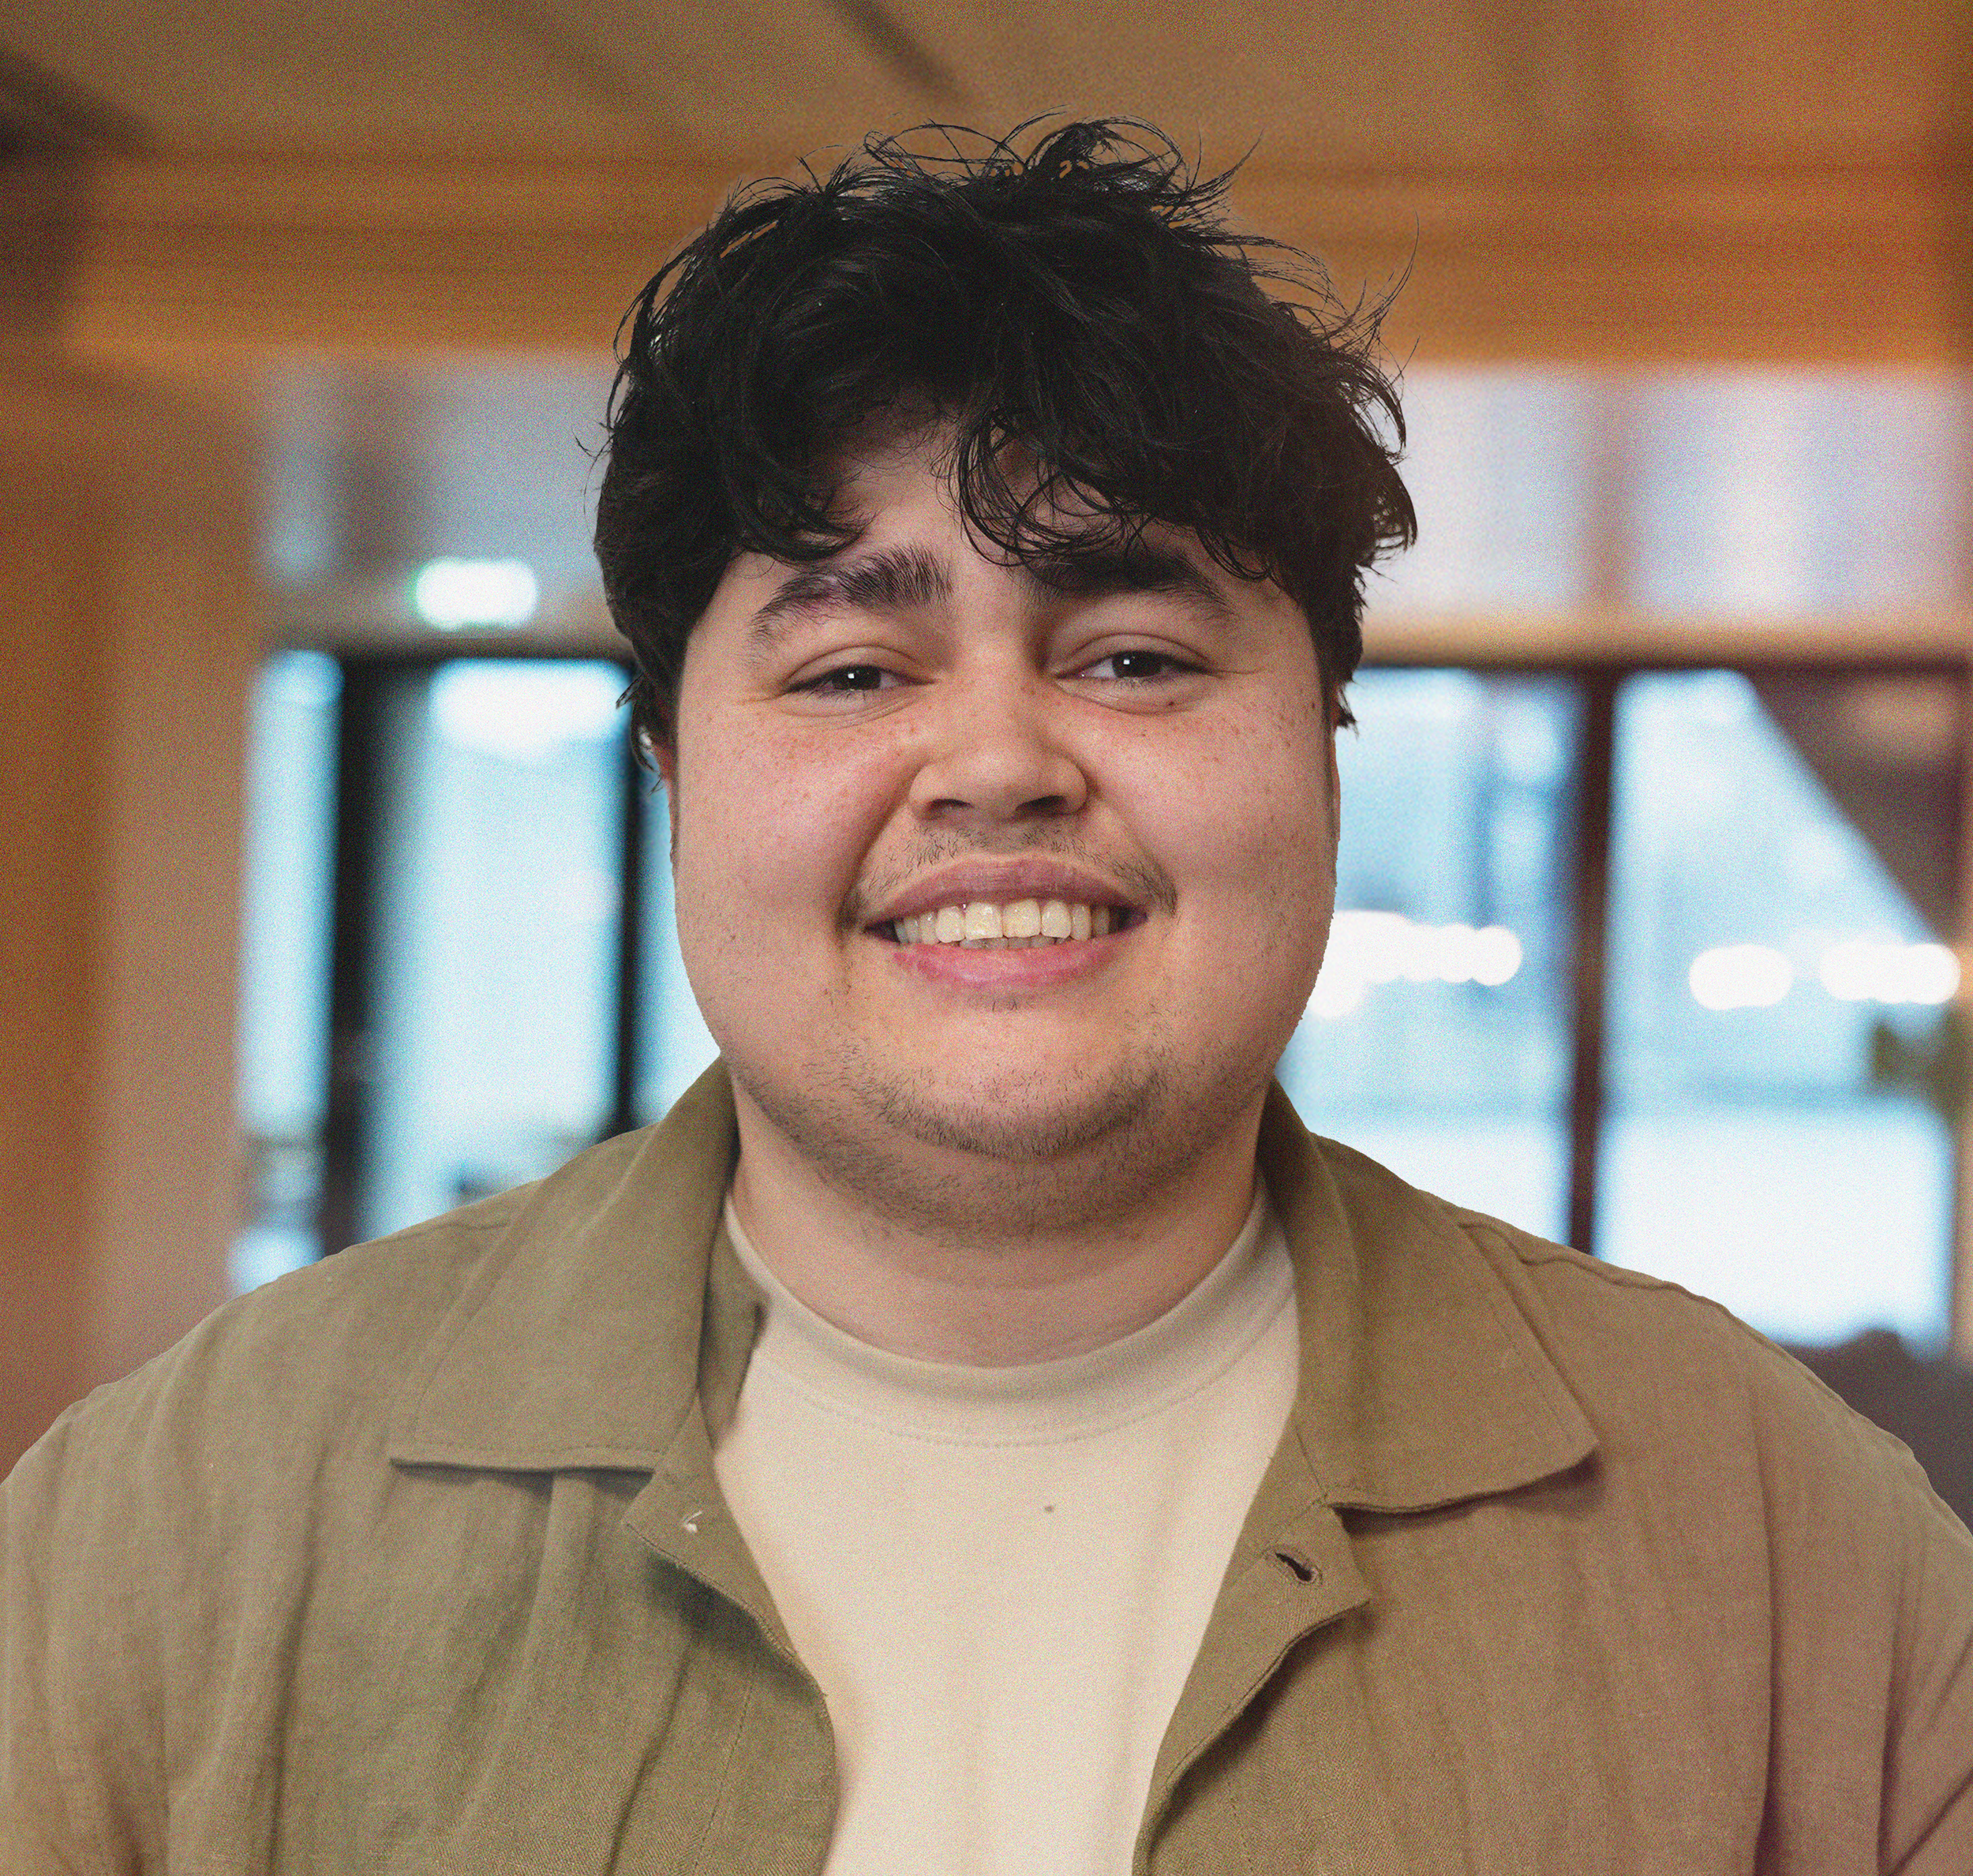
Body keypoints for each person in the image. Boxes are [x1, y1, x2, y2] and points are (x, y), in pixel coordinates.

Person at [5, 118, 1971, 1875]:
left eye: (1129, 656)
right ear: (673, 777)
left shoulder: (1779, 1543)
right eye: (851, 674)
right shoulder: (187, 1521)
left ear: (1323, 754)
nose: (999, 763)